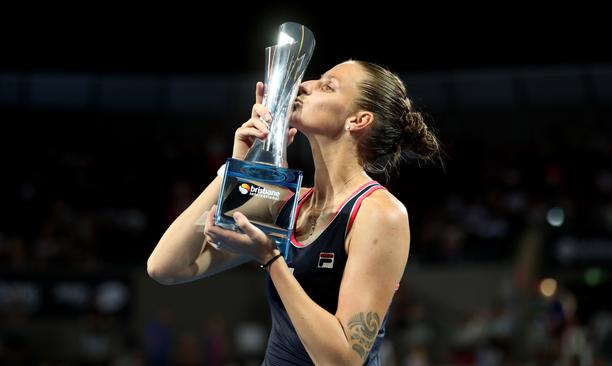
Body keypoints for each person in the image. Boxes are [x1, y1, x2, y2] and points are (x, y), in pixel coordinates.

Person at [147, 60, 441, 365]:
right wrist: (236, 170)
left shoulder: (379, 213)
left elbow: (342, 360)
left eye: (327, 85)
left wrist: (271, 260)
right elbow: (165, 267)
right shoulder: (290, 202)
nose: (303, 85)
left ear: (358, 119)